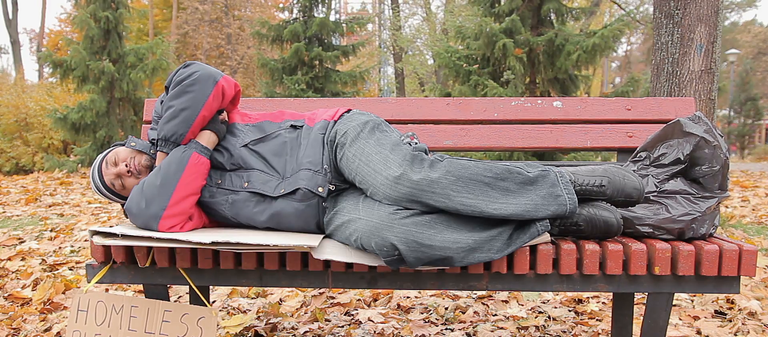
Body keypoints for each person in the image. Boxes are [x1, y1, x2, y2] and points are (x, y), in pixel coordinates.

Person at [90, 61, 644, 269]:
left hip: (336, 142)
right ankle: (548, 222)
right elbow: (159, 213)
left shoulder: (171, 121)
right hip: (326, 213)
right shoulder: (155, 200)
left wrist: (174, 144)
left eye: (118, 160)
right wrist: (200, 147)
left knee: (404, 179)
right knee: (396, 236)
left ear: (129, 145)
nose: (125, 171)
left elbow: (207, 78)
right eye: (117, 182)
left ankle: (571, 183)